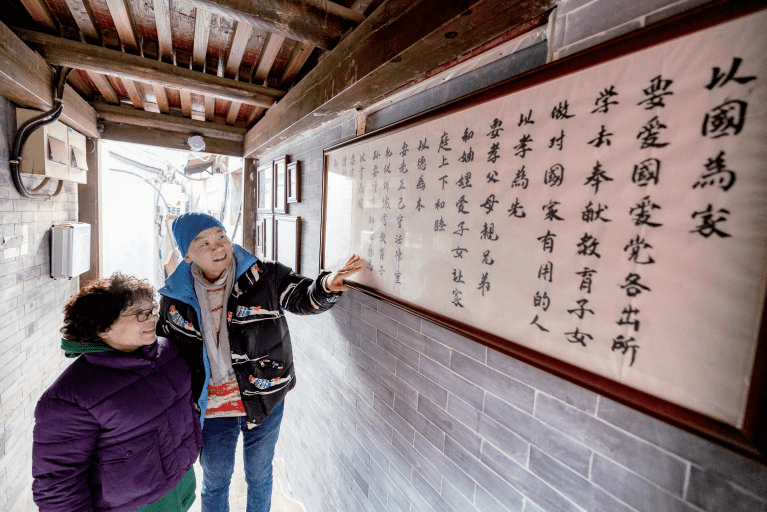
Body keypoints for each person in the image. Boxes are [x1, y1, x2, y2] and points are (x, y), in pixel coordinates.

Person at [156, 212, 362, 512]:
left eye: (220, 236)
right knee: (215, 481)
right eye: (204, 243)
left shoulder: (263, 275)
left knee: (260, 474)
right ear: (186, 254)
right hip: (211, 405)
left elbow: (301, 297)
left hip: (265, 394)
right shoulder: (175, 298)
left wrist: (327, 285)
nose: (218, 248)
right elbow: (166, 352)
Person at [32, 273, 202, 512]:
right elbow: (59, 485)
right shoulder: (70, 397)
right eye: (140, 314)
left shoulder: (169, 351)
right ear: (102, 327)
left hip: (179, 493)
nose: (153, 318)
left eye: (152, 309)